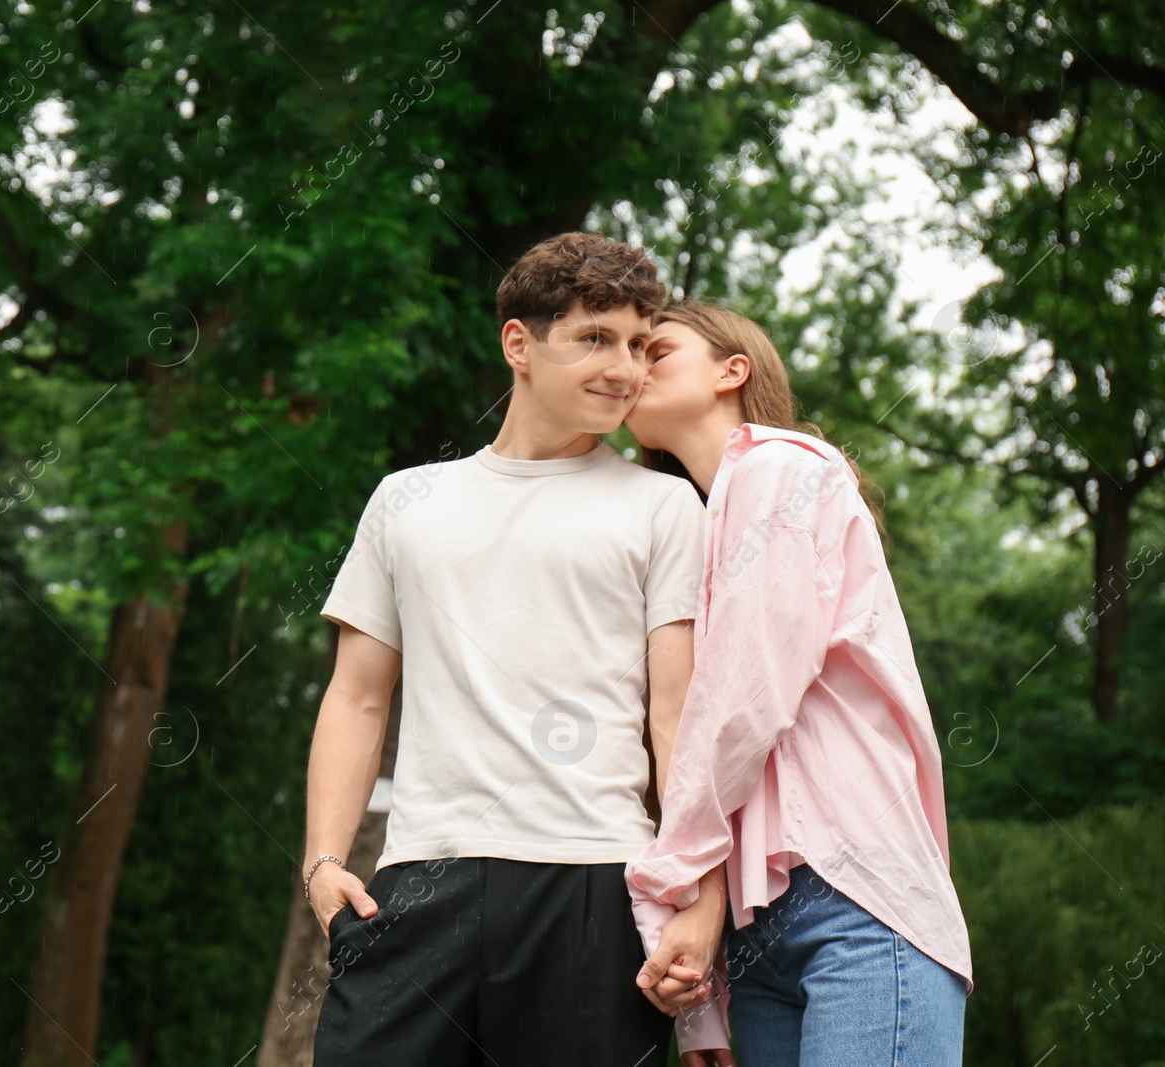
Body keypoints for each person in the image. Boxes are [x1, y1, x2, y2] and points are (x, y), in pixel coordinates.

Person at [304, 232, 731, 1065]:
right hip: (420, 879)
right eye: (595, 338)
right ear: (519, 344)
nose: (625, 367)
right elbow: (356, 696)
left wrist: (700, 894)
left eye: (641, 345)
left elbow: (679, 718)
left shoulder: (664, 507)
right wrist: (323, 860)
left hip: (594, 886)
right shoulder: (405, 502)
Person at [623, 302, 973, 1065]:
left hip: (859, 897)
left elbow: (743, 698)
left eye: (655, 349)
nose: (628, 366)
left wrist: (668, 883)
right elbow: (681, 732)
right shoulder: (692, 525)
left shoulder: (783, 469)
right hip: (758, 936)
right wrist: (704, 1001)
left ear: (731, 370)